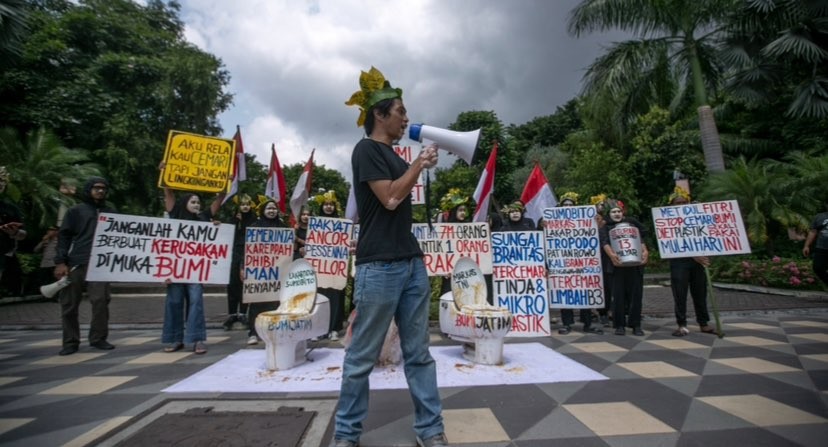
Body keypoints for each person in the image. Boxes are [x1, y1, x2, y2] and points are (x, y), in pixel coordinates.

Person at [333, 66, 447, 447]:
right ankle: (346, 435)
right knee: (362, 357)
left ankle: (430, 430)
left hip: (411, 263)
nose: (407, 119)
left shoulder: (396, 156)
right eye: (400, 111)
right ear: (379, 115)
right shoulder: (365, 150)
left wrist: (417, 164)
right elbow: (390, 198)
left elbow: (401, 192)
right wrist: (418, 164)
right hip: (379, 266)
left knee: (419, 354)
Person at [54, 177, 116, 356]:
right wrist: (60, 262)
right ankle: (70, 341)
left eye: (104, 188)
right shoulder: (76, 211)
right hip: (76, 263)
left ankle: (98, 338)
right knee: (69, 304)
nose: (100, 191)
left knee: (101, 301)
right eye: (96, 188)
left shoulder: (111, 212)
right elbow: (64, 236)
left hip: (101, 264)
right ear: (89, 189)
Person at [162, 186, 224, 354]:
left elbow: (218, 203)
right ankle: (176, 339)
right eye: (193, 202)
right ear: (184, 203)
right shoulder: (175, 214)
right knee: (174, 302)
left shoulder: (204, 217)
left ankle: (197, 339)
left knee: (196, 302)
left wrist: (224, 189)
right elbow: (168, 193)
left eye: (198, 202)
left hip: (195, 270)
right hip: (174, 268)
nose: (197, 205)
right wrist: (165, 175)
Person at [667, 187, 716, 336]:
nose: (681, 205)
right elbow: (669, 242)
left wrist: (708, 255)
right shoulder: (666, 221)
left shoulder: (697, 218)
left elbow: (709, 236)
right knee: (680, 294)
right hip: (679, 262)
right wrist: (693, 255)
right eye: (678, 203)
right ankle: (681, 324)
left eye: (684, 202)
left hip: (698, 262)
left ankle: (703, 322)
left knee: (700, 293)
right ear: (672, 206)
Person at [599, 199, 649, 336]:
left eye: (618, 211)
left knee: (636, 296)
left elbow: (641, 240)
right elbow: (604, 243)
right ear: (609, 214)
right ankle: (619, 325)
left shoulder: (632, 224)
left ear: (623, 213)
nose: (616, 214)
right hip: (617, 267)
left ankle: (636, 325)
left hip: (635, 266)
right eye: (613, 212)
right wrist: (612, 256)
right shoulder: (606, 227)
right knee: (618, 297)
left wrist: (645, 252)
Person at [556, 192, 603, 335]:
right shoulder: (554, 219)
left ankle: (587, 323)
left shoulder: (586, 218)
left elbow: (599, 230)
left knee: (585, 292)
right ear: (561, 206)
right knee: (565, 293)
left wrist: (598, 221)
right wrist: (542, 224)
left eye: (571, 205)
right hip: (563, 263)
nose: (568, 207)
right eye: (565, 205)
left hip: (583, 262)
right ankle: (567, 323)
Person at [246, 198, 288, 345]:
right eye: (269, 209)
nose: (272, 211)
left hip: (278, 274)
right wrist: (241, 268)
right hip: (258, 273)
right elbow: (247, 251)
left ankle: (273, 329)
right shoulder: (254, 227)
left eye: (274, 209)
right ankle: (253, 332)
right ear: (263, 211)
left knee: (276, 302)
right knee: (257, 302)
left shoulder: (283, 228)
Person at [314, 190, 347, 341]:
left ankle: (334, 328)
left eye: (331, 205)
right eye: (326, 205)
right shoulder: (315, 224)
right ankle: (320, 329)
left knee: (335, 298)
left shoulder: (341, 224)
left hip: (335, 269)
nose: (328, 207)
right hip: (320, 269)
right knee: (320, 299)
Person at [223, 194, 258, 331]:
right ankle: (232, 314)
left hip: (248, 254)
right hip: (233, 254)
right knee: (232, 284)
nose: (245, 207)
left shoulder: (254, 220)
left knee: (245, 283)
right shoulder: (233, 220)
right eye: (242, 204)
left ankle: (243, 313)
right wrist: (234, 221)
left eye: (247, 204)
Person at [438, 188, 472, 296]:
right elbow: (441, 250)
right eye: (460, 210)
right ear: (454, 212)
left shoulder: (470, 227)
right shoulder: (444, 229)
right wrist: (444, 268)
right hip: (449, 272)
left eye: (464, 210)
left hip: (467, 272)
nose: (463, 213)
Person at [0, 166, 26, 288]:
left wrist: (14, 233)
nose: (0, 184)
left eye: (2, 180)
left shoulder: (10, 208)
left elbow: (23, 234)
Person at [803, 199, 828, 287]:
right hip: (821, 248)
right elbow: (812, 232)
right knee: (817, 268)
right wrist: (806, 246)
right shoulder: (819, 217)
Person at [34, 226, 59, 294]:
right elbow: (36, 250)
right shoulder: (45, 240)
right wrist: (43, 241)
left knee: (53, 282)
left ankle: (54, 296)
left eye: (52, 230)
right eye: (49, 230)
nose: (49, 231)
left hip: (54, 264)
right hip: (44, 264)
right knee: (43, 281)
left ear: (57, 232)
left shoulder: (59, 241)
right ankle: (44, 295)